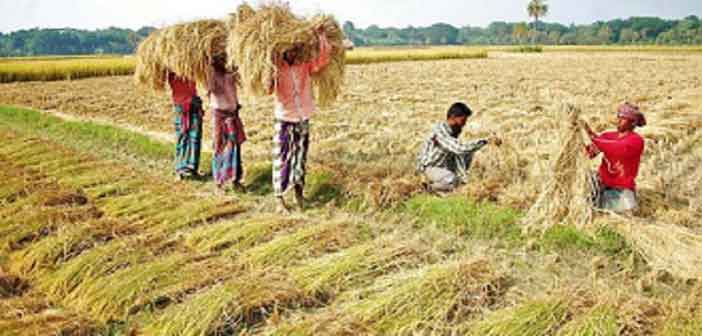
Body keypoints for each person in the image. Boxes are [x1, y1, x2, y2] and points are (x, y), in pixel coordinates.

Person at [270, 26, 332, 212]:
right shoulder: (276, 69)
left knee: (300, 158)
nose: (293, 53)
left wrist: (321, 37)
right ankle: (279, 199)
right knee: (282, 158)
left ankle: (298, 194)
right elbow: (265, 88)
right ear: (283, 51)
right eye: (290, 50)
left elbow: (323, 59)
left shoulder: (304, 66)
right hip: (284, 119)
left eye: (296, 49)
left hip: (303, 117)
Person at [416, 102, 501, 193]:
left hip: (441, 169)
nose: (464, 124)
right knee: (452, 180)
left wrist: (464, 180)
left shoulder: (451, 134)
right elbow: (459, 149)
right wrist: (486, 141)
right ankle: (426, 188)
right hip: (429, 169)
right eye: (463, 120)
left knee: (469, 153)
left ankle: (441, 185)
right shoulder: (440, 131)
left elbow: (459, 156)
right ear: (453, 117)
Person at [583, 102, 646, 213]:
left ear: (633, 122)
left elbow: (614, 148)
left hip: (620, 188)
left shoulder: (636, 140)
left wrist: (589, 132)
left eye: (623, 118)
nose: (618, 120)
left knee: (626, 213)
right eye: (618, 117)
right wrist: (575, 139)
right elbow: (590, 153)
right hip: (601, 184)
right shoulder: (608, 136)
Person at [206, 55, 246, 191]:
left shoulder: (230, 74)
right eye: (220, 59)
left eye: (224, 59)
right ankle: (219, 182)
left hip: (233, 115)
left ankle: (236, 180)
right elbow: (210, 88)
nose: (223, 62)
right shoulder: (211, 75)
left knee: (235, 148)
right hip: (220, 116)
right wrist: (210, 68)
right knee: (220, 146)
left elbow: (240, 79)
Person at [169, 72, 204, 180]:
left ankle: (192, 168)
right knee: (182, 138)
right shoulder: (172, 73)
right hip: (181, 108)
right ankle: (179, 169)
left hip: (194, 106)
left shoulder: (191, 70)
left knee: (195, 138)